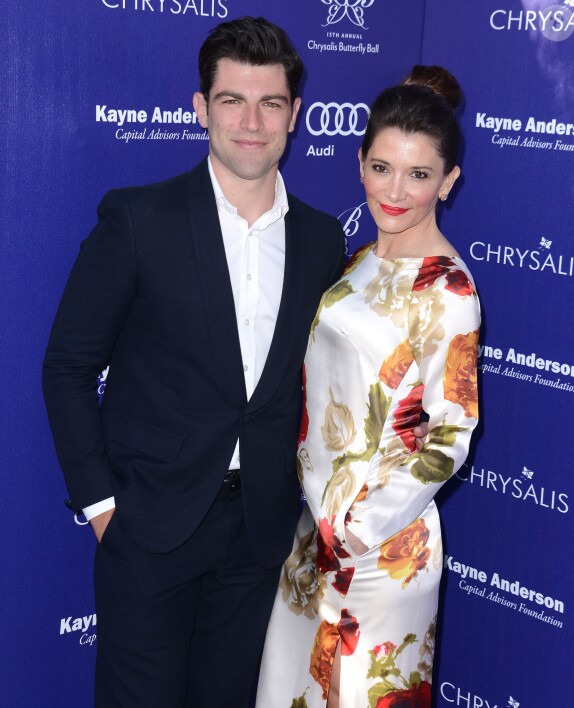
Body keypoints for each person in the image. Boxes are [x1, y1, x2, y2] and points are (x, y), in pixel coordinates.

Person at [42, 17, 347, 707]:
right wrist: (103, 508)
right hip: (148, 529)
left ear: (295, 115)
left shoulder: (323, 241)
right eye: (232, 100)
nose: (251, 121)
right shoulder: (138, 219)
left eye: (270, 102)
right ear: (200, 108)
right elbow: (67, 365)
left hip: (258, 534)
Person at [256, 66, 480, 708]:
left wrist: (357, 529)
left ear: (448, 181)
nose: (396, 191)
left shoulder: (449, 290)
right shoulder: (357, 261)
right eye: (382, 167)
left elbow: (449, 434)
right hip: (310, 537)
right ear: (359, 162)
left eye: (419, 174)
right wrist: (319, 523)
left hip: (382, 551)